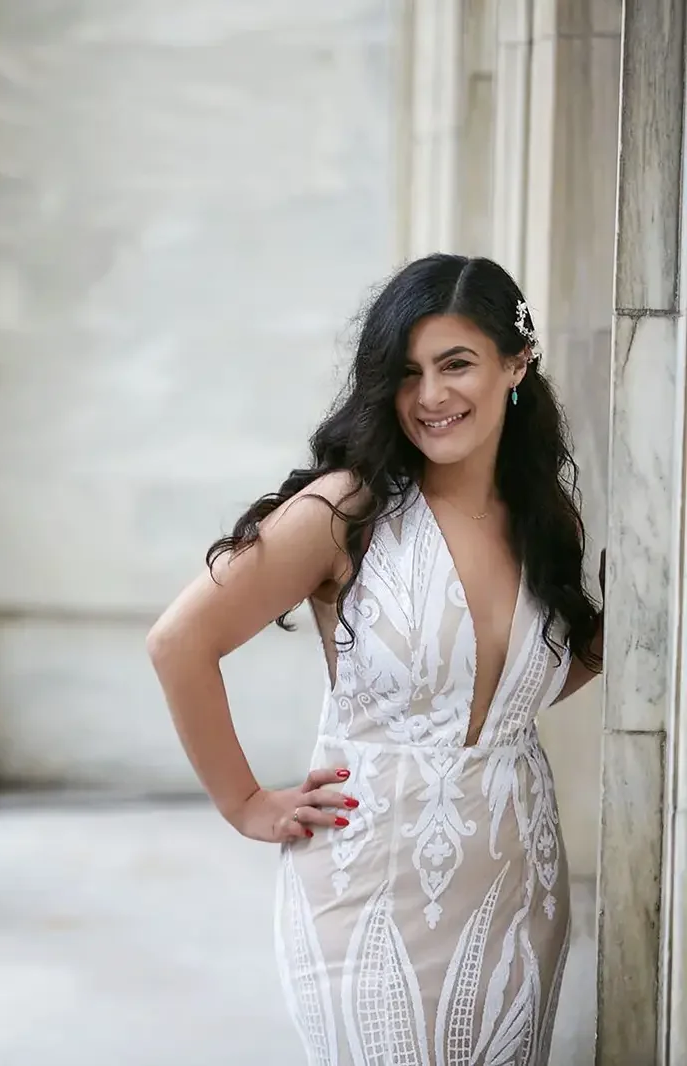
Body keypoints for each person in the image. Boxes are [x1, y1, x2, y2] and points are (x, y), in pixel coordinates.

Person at [146, 254, 603, 1062]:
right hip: (368, 893)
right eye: (407, 372)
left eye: (455, 363)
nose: (430, 395)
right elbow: (181, 642)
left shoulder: (546, 520)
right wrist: (246, 801)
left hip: (515, 885)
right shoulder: (344, 510)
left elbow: (507, 690)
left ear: (515, 362)